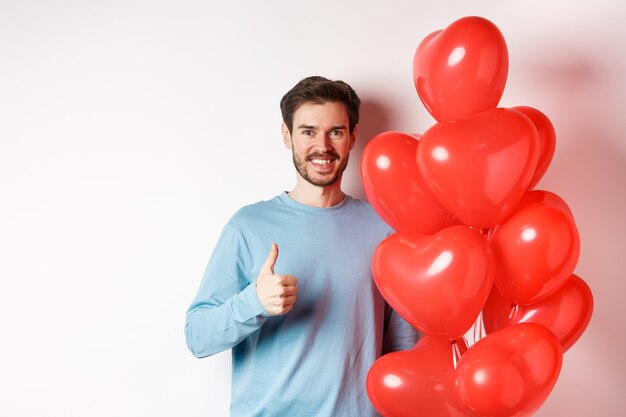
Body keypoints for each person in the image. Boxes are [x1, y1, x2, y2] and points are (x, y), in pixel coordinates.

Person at [185, 75, 418, 417]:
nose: (321, 146)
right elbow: (197, 337)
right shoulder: (248, 226)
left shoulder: (384, 228)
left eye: (335, 131)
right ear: (287, 136)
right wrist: (255, 302)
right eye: (308, 131)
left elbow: (402, 349)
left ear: (353, 137)